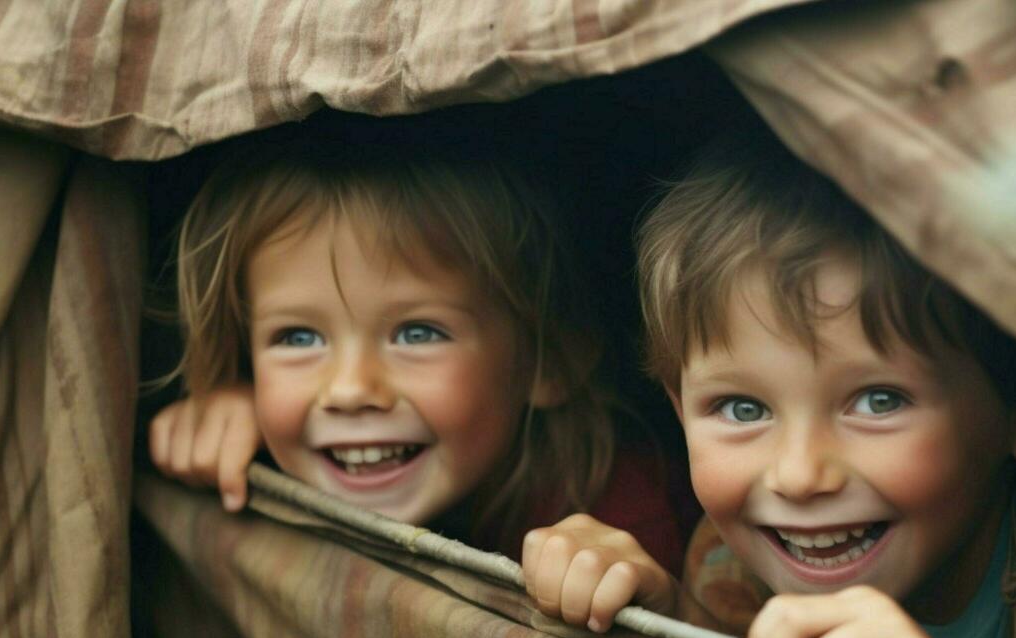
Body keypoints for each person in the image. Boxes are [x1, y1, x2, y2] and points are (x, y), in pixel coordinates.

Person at [522, 133, 1016, 638]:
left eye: (878, 401)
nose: (796, 476)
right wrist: (668, 626)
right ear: (679, 411)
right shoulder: (725, 567)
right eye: (742, 409)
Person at [149, 131, 685, 569]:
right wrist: (240, 425)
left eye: (417, 333)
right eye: (298, 338)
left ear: (551, 362)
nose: (350, 390)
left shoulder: (618, 523)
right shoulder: (265, 444)